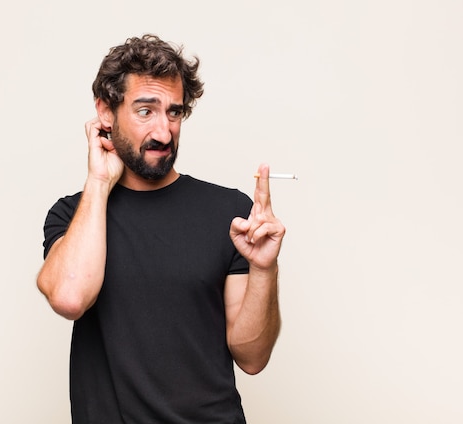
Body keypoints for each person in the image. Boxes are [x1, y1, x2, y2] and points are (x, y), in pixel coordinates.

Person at [37, 34, 285, 424]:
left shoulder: (232, 213)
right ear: (106, 111)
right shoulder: (73, 216)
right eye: (145, 111)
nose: (164, 132)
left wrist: (264, 269)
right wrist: (99, 183)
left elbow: (252, 358)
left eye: (174, 112)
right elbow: (69, 298)